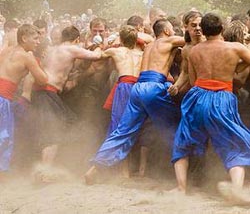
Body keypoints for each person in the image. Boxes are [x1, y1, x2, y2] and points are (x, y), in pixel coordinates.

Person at [84, 19, 185, 184]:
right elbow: (192, 39)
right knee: (177, 124)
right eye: (172, 29)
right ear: (166, 31)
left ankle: (94, 168)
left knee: (123, 131)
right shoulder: (167, 40)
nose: (174, 31)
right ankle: (184, 181)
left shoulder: (149, 45)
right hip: (154, 86)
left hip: (138, 88)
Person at [171, 13, 250, 204]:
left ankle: (181, 188)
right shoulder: (236, 48)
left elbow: (192, 77)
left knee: (183, 139)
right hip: (222, 98)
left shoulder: (193, 51)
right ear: (222, 29)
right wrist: (237, 68)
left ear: (203, 31)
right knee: (235, 143)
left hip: (197, 96)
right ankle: (236, 190)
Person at [31, 25, 101, 181]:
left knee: (58, 127)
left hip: (43, 92)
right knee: (53, 132)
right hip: (48, 92)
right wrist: (99, 47)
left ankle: (46, 169)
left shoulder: (52, 49)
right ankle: (44, 172)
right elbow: (96, 56)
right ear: (76, 39)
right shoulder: (70, 49)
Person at [0, 24, 47, 175]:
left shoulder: (6, 51)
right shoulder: (27, 57)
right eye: (35, 38)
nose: (38, 42)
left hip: (4, 96)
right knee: (4, 137)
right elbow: (43, 80)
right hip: (3, 99)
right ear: (24, 38)